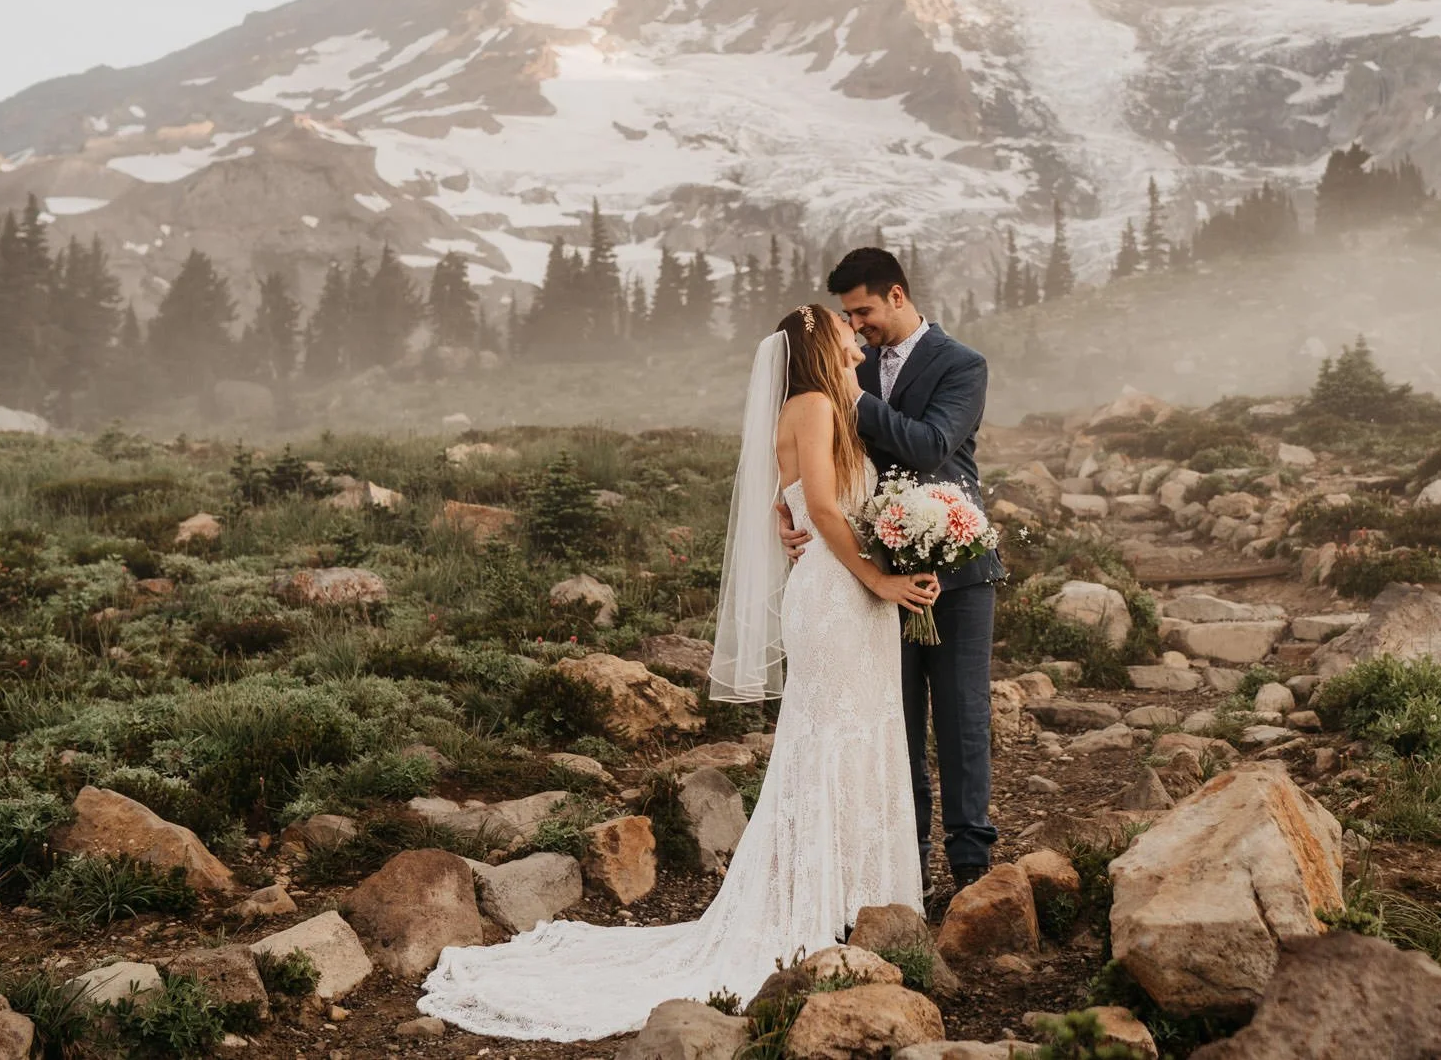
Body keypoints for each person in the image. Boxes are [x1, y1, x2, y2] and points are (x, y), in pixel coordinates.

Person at [417, 304, 937, 1040]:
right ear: (819, 340)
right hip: (840, 596)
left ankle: (854, 900)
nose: (854, 332)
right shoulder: (817, 403)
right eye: (839, 324)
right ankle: (827, 908)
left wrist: (887, 549)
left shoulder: (828, 404)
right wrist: (879, 579)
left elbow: (792, 499)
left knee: (854, 738)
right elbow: (821, 504)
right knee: (830, 742)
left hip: (848, 590)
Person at [782, 247, 1004, 904]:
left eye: (865, 311)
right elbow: (816, 457)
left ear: (898, 296)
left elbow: (933, 445)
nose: (856, 326)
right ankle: (900, 870)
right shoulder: (844, 367)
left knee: (962, 721)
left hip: (957, 567)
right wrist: (785, 506)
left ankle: (971, 872)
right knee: (893, 720)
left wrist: (853, 397)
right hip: (873, 575)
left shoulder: (963, 365)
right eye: (848, 316)